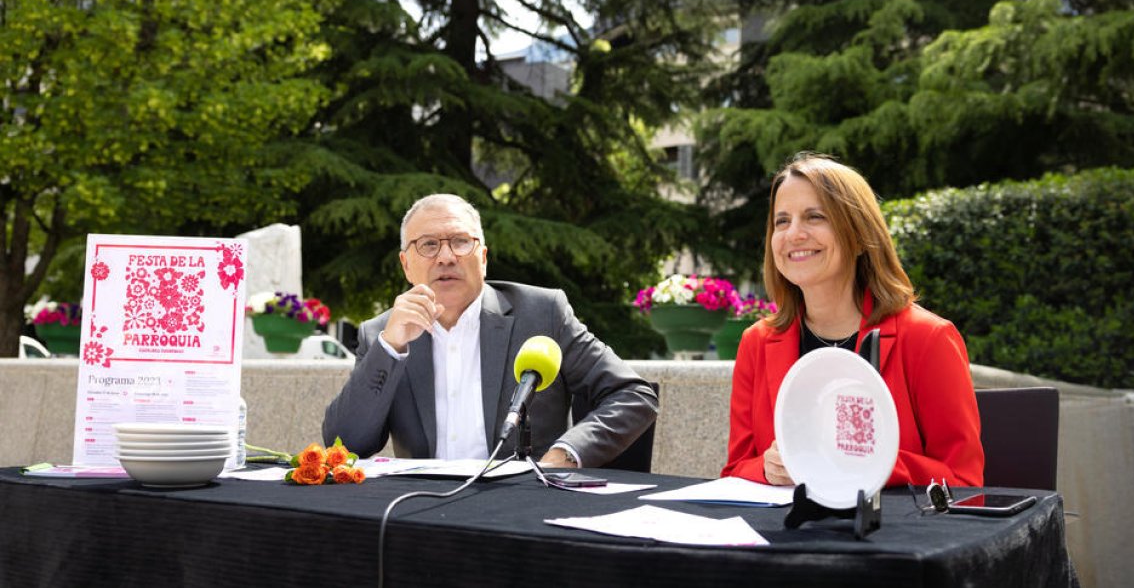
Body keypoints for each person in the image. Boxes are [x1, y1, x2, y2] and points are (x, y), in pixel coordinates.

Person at [323, 193, 658, 468]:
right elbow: (347, 444)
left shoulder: (541, 313)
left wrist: (567, 454)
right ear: (406, 265)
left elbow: (633, 396)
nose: (446, 257)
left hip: (520, 507)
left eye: (459, 242)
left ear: (483, 257)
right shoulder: (382, 333)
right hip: (420, 511)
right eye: (428, 245)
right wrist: (390, 347)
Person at [722, 153, 984, 487]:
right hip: (786, 536)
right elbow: (734, 472)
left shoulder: (928, 338)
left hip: (892, 536)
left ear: (859, 236)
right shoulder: (756, 342)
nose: (794, 234)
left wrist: (865, 462)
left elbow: (965, 484)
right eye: (782, 221)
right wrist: (766, 469)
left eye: (815, 217)